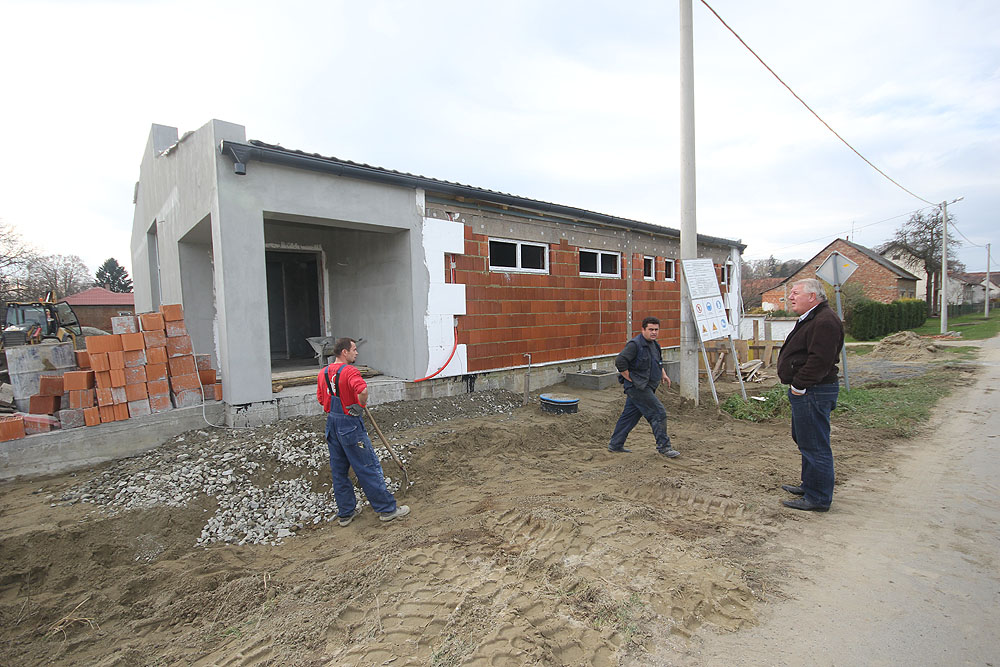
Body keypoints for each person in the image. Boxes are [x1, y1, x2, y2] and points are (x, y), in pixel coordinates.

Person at [317, 337, 409, 526]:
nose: (356, 353)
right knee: (367, 467)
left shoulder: (323, 373)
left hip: (332, 424)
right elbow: (363, 390)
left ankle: (346, 513)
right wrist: (358, 406)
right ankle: (387, 510)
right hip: (349, 424)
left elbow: (321, 399)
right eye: (354, 350)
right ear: (344, 352)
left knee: (339, 471)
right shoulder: (350, 371)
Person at [776, 278, 845, 512]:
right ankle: (810, 485)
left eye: (796, 293)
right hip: (810, 391)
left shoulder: (825, 321)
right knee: (805, 439)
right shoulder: (814, 318)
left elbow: (820, 360)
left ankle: (818, 498)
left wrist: (799, 385)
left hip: (814, 391)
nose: (791, 297)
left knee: (815, 444)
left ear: (812, 297)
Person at [607, 316, 680, 458]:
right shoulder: (635, 345)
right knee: (658, 413)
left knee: (629, 417)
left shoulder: (655, 345)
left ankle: (615, 444)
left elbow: (658, 361)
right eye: (651, 329)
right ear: (643, 330)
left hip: (648, 386)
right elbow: (620, 361)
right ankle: (664, 448)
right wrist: (630, 378)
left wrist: (663, 374)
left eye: (656, 330)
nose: (654, 332)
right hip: (638, 388)